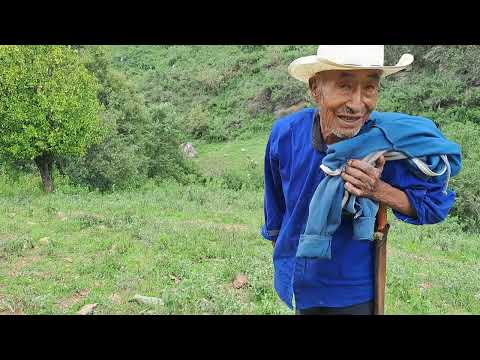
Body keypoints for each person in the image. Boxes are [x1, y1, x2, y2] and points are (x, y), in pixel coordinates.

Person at [261, 45, 459, 315]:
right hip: (299, 283)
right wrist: (287, 258)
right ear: (315, 88)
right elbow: (276, 210)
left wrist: (378, 190)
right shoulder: (285, 134)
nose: (357, 104)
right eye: (345, 86)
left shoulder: (383, 144)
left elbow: (434, 207)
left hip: (353, 293)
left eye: (369, 88)